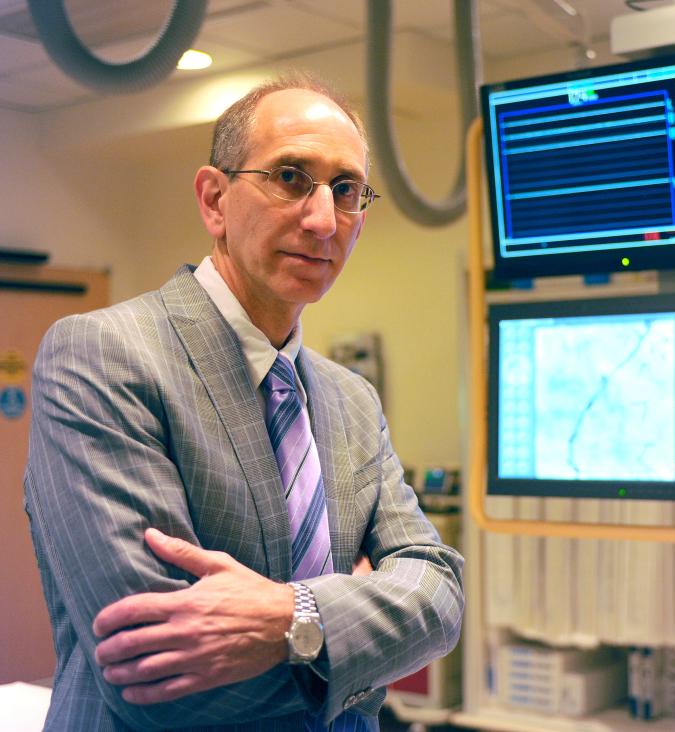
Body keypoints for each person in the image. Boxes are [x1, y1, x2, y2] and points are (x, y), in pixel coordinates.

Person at [24, 74, 464, 731]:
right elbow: (161, 679)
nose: (322, 219)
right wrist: (363, 634)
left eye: (345, 190)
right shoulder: (103, 356)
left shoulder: (350, 401)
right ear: (214, 200)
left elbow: (442, 597)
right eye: (290, 176)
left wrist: (294, 619)